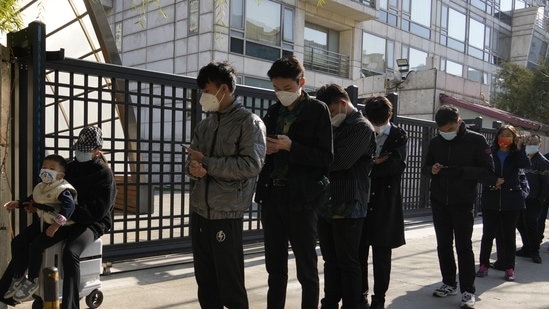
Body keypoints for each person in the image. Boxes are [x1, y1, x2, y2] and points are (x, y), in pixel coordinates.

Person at [0, 126, 116, 309]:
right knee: (22, 242)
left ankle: (70, 305)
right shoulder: (69, 167)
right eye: (79, 149)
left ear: (97, 152)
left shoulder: (104, 174)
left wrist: (57, 212)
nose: (80, 153)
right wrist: (31, 204)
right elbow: (49, 191)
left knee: (71, 253)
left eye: (85, 151)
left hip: (92, 221)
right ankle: (9, 289)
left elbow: (97, 211)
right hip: (60, 216)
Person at [185, 61, 266, 309]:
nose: (203, 97)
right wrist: (194, 169)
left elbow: (251, 165)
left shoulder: (249, 123)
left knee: (230, 284)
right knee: (205, 282)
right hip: (200, 211)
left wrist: (207, 163)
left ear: (223, 89)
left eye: (206, 90)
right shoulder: (205, 125)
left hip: (226, 213)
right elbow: (193, 160)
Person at [254, 55, 333, 309]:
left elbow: (325, 158)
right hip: (272, 196)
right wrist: (266, 149)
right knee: (275, 267)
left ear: (301, 82)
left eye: (287, 88)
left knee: (306, 268)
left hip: (302, 198)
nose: (281, 93)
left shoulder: (317, 109)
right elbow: (262, 148)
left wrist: (292, 147)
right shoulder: (274, 110)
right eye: (276, 88)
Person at [421, 105, 494, 309]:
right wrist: (432, 170)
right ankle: (448, 283)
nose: (446, 134)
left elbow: (488, 170)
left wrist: (461, 171)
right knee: (443, 245)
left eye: (449, 129)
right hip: (438, 200)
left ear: (459, 122)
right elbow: (425, 168)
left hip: (463, 202)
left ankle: (468, 291)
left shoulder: (476, 140)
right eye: (442, 131)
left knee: (463, 246)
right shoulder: (436, 142)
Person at [314, 84, 375, 309]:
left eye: (329, 111)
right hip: (327, 202)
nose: (328, 117)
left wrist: (313, 157)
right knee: (330, 261)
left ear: (342, 103)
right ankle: (330, 302)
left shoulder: (361, 127)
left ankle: (352, 304)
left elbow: (339, 161)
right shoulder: (333, 126)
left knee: (348, 262)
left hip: (349, 205)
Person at [2, 154, 77, 303]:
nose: (46, 170)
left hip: (61, 227)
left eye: (51, 169)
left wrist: (56, 225)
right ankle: (18, 277)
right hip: (45, 223)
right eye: (44, 167)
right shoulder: (42, 186)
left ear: (60, 175)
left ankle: (32, 280)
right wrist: (17, 203)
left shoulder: (62, 188)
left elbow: (70, 207)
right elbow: (33, 198)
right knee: (18, 242)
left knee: (36, 246)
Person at [360, 96, 408, 309]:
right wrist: (373, 162)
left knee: (382, 255)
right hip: (360, 199)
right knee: (358, 253)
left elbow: (395, 166)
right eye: (373, 122)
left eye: (381, 122)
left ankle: (379, 298)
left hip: (385, 202)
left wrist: (369, 166)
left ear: (390, 115)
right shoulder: (360, 130)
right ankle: (360, 294)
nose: (377, 127)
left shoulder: (398, 135)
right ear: (366, 117)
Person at [476, 125, 529, 282]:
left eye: (509, 135)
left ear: (514, 138)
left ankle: (509, 268)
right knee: (488, 235)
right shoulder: (489, 153)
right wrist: (493, 181)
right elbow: (480, 174)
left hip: (512, 201)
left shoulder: (516, 155)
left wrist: (520, 148)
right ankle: (483, 265)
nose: (505, 138)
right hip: (491, 200)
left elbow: (525, 165)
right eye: (502, 134)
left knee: (509, 236)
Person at [516, 134, 549, 264]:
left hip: (534, 199)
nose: (532, 145)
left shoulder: (542, 163)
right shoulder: (523, 159)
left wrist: (540, 199)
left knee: (531, 225)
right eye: (530, 142)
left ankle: (534, 251)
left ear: (539, 145)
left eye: (535, 143)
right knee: (519, 223)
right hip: (521, 197)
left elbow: (546, 183)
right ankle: (526, 247)